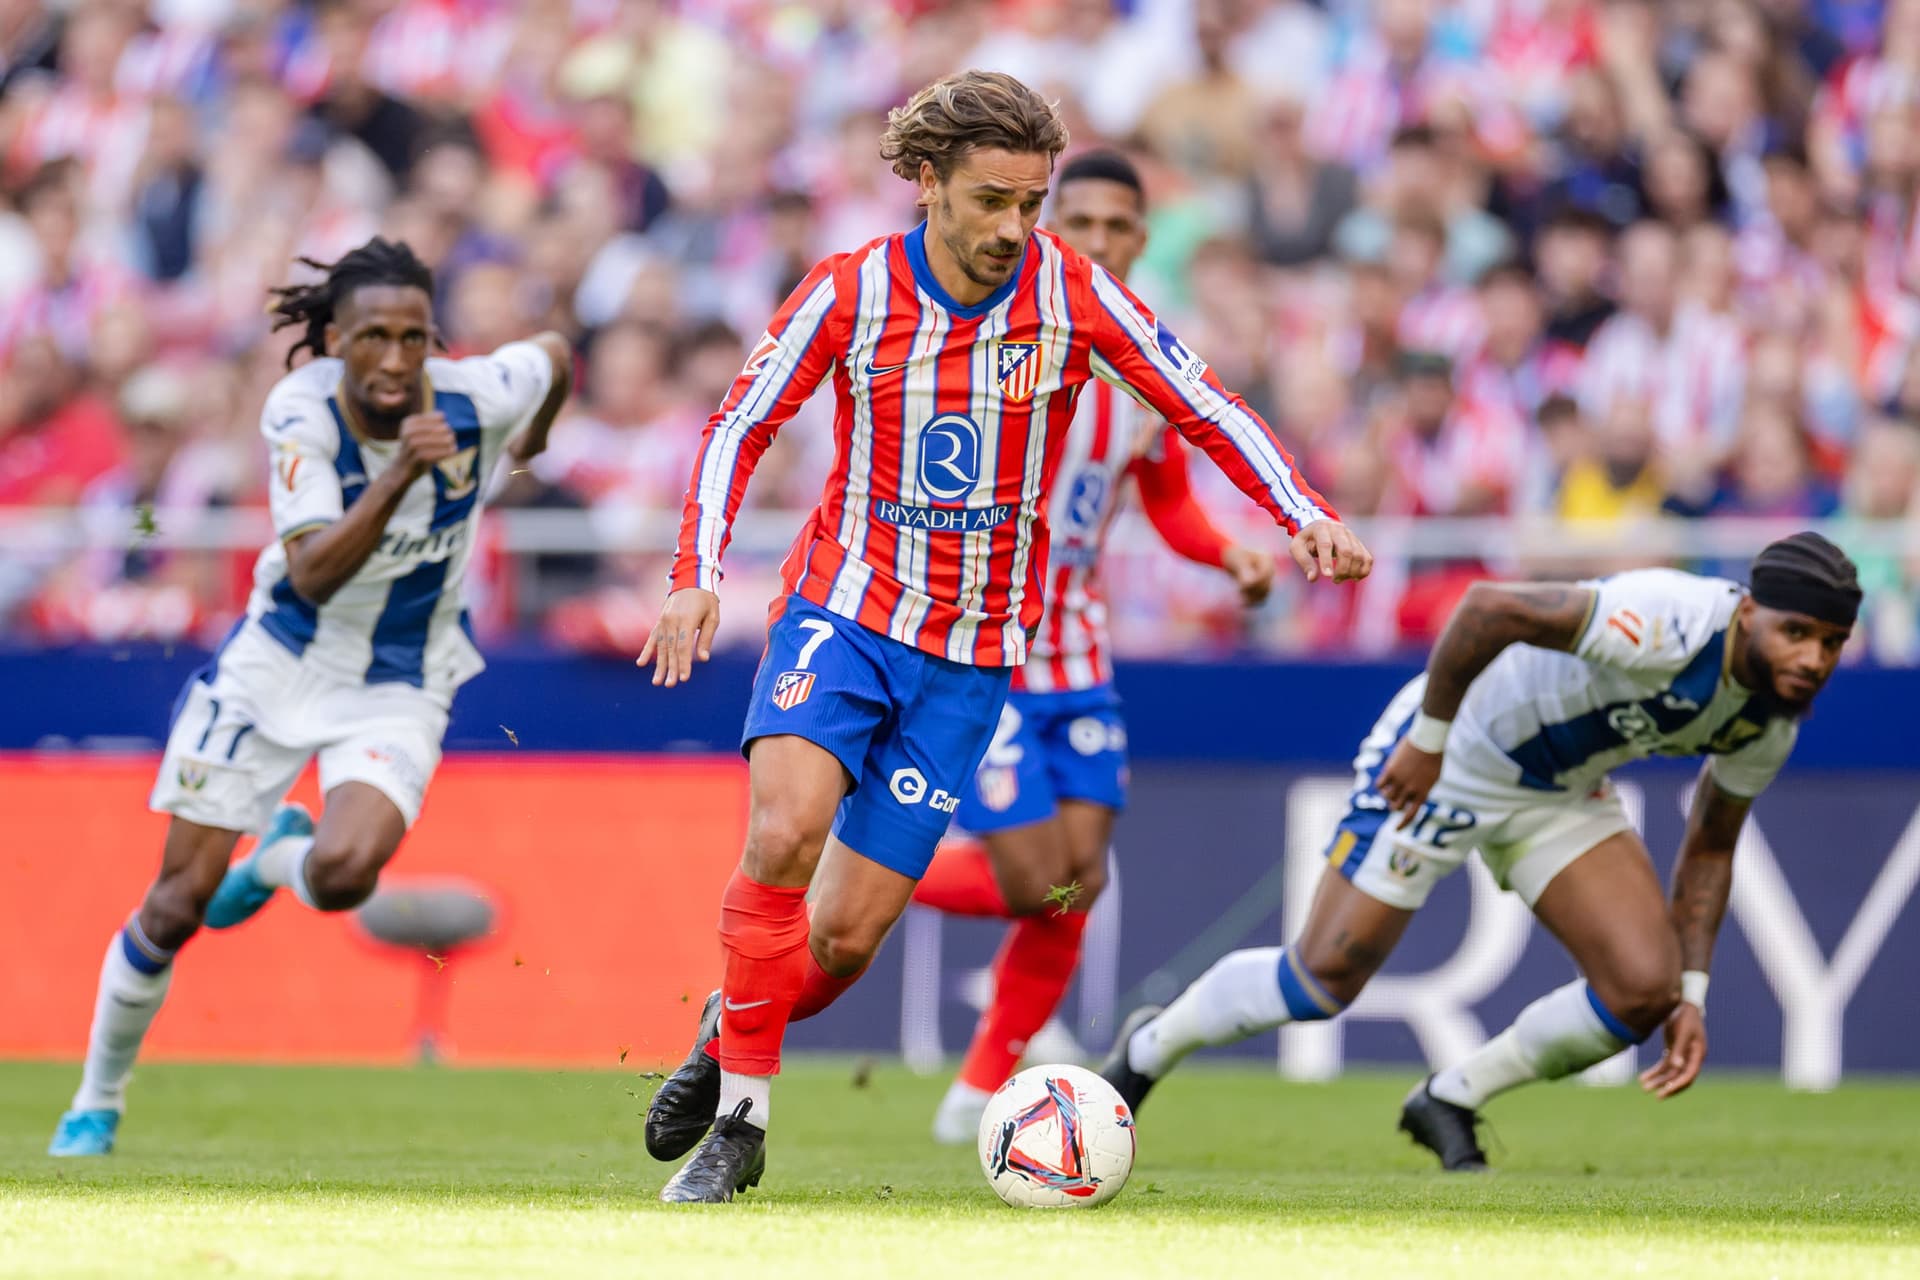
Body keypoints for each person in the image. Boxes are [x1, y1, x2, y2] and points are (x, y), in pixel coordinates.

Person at [637, 70, 1371, 1203]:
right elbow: (740, 420)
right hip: (843, 611)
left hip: (973, 656)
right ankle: (741, 1124)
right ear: (927, 183)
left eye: (1031, 204)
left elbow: (1203, 401)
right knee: (783, 835)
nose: (1014, 229)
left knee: (837, 945)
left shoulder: (1073, 295)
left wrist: (1303, 512)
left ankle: (721, 1027)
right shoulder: (851, 291)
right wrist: (695, 575)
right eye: (992, 201)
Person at [1099, 533, 1859, 1171]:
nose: (1814, 660)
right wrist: (1428, 741)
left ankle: (1449, 1097)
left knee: (1642, 990)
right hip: (1454, 752)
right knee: (1319, 983)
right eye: (1797, 633)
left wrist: (1692, 992)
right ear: (1749, 610)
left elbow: (1712, 845)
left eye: (1831, 643)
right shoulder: (1672, 622)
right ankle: (1150, 1046)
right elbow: (1486, 607)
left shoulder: (1771, 724)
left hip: (1557, 790)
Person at [47, 238, 573, 1157]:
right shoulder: (301, 412)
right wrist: (406, 471)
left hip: (401, 680)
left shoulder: (475, 394)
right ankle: (97, 1101)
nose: (397, 360)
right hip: (276, 665)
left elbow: (556, 356)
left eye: (415, 337)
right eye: (374, 337)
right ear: (335, 340)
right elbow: (314, 571)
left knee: (343, 877)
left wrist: (530, 438)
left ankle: (276, 863)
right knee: (174, 905)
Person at [909, 148, 1278, 1145]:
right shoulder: (999, 344)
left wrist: (1227, 552)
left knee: (1077, 887)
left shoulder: (1145, 370)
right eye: (1081, 224)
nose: (1101, 243)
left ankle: (976, 1086)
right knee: (1036, 880)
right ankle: (872, 866)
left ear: (1141, 241)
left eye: (1119, 228)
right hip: (989, 655)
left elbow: (1165, 503)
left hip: (1081, 660)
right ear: (1042, 225)